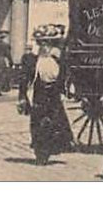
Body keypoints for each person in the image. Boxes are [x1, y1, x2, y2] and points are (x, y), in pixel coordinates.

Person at [23, 33, 75, 165]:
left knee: (54, 123)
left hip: (53, 95)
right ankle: (40, 152)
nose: (44, 47)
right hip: (39, 94)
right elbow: (26, 79)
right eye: (42, 44)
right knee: (38, 124)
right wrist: (23, 97)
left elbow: (64, 77)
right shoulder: (34, 61)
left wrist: (64, 91)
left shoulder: (57, 61)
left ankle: (51, 149)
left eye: (47, 44)